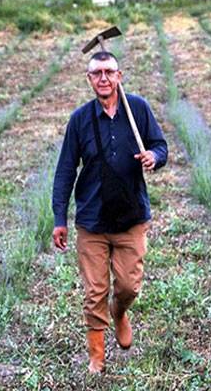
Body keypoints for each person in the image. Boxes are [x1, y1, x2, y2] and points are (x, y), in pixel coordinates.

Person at [51, 50, 168, 374]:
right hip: (92, 220)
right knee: (95, 291)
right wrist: (60, 218)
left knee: (129, 286)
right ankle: (97, 357)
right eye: (96, 73)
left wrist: (153, 158)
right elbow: (64, 171)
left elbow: (161, 146)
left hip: (131, 216)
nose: (103, 78)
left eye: (109, 72)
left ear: (119, 76)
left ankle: (119, 312)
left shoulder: (139, 109)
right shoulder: (80, 120)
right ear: (89, 80)